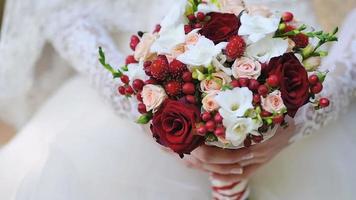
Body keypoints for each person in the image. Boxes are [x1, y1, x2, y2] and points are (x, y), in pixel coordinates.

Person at [0, 0, 355, 199]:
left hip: (306, 85)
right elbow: (63, 12)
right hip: (140, 89)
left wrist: (307, 114)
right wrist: (142, 104)